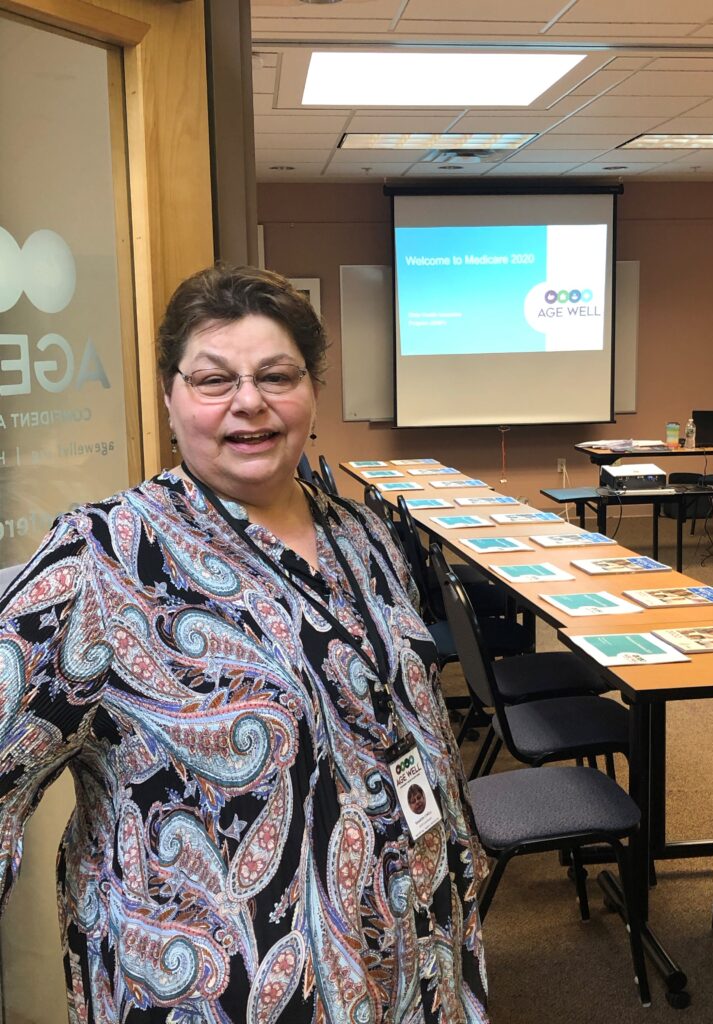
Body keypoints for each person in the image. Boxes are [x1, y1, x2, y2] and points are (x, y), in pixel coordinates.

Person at [0, 266, 490, 1023]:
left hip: (412, 958)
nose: (249, 402)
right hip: (221, 990)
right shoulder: (100, 560)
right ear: (169, 398)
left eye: (276, 375)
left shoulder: (365, 535)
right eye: (213, 380)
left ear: (312, 393)